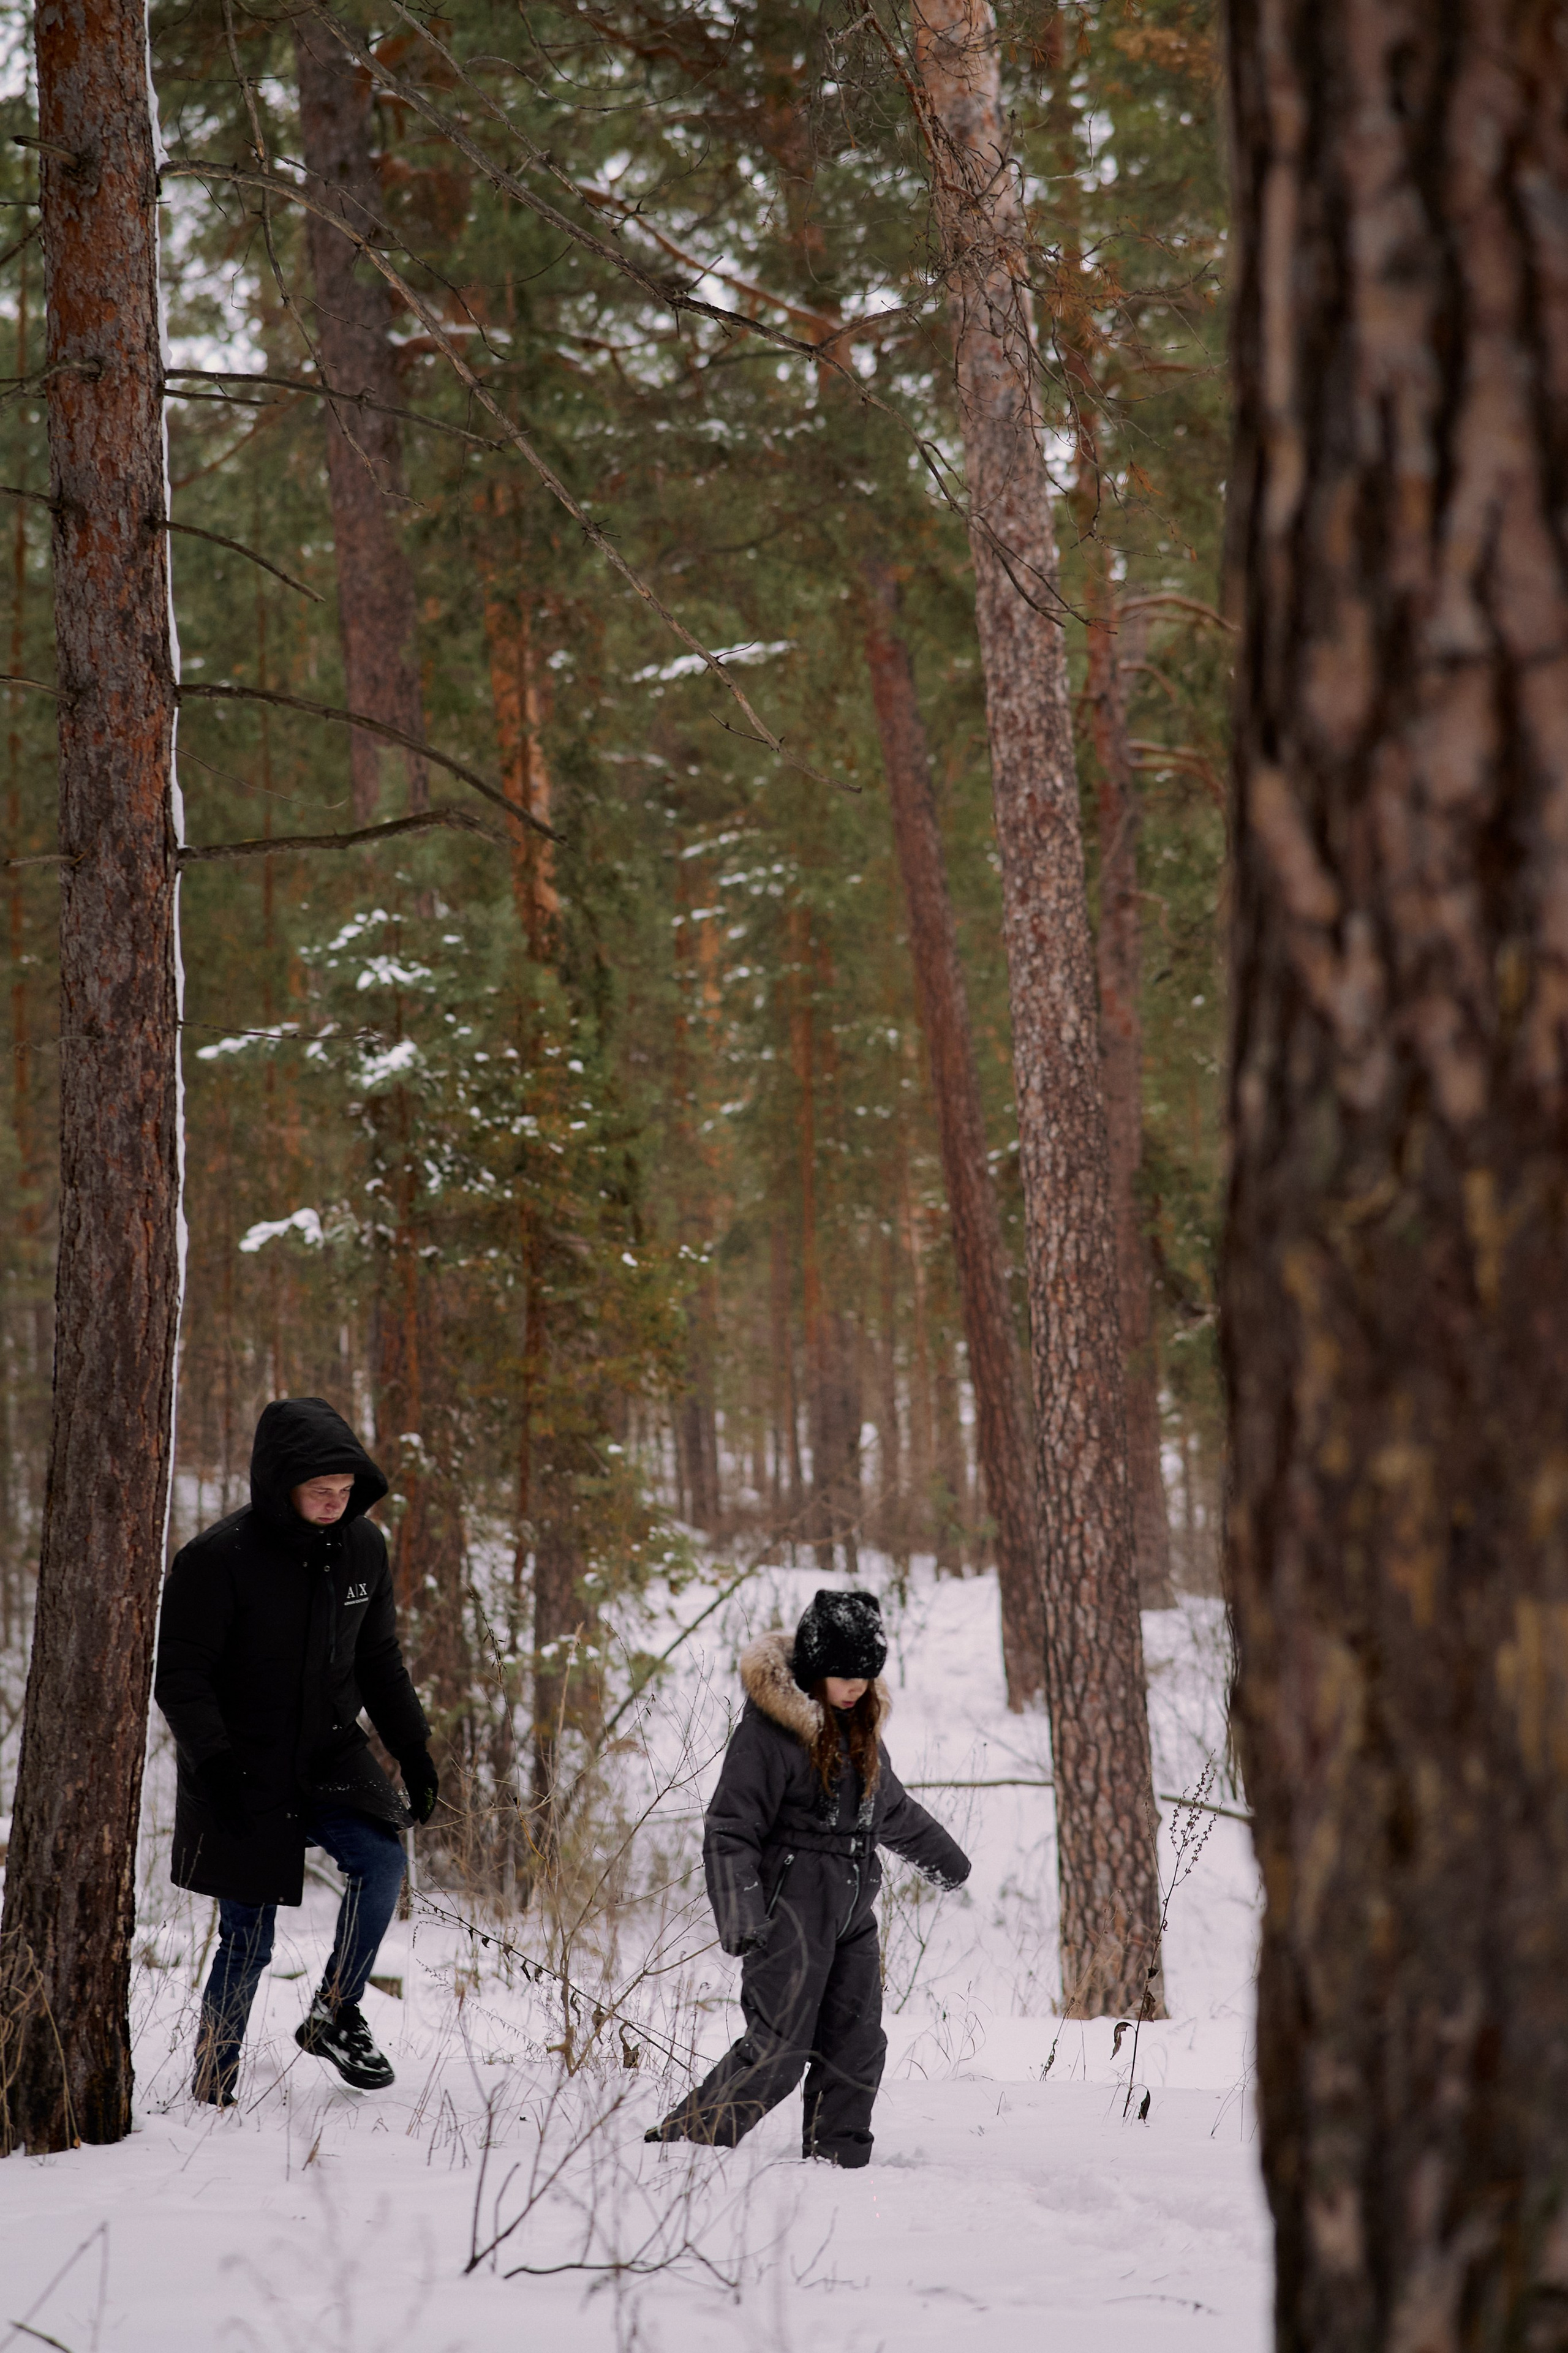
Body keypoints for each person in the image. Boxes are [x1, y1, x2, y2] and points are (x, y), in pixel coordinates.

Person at [155, 1396, 439, 2107]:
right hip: (241, 1766)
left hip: (329, 1754)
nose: (335, 1502)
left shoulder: (363, 1547)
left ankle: (336, 2012)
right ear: (280, 1484)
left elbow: (379, 1658)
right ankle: (213, 2083)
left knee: (381, 1860)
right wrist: (215, 1764)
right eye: (320, 1489)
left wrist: (414, 1748)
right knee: (248, 1935)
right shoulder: (217, 1559)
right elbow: (181, 1677)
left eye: (345, 1489)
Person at [647, 1588, 970, 2169]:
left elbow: (890, 1808)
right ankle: (687, 2144)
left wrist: (947, 1862)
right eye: (844, 1676)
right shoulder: (768, 1734)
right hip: (788, 1911)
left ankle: (836, 2159)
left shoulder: (861, 1728)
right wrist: (741, 1913)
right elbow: (730, 1828)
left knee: (857, 2043)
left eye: (865, 1676)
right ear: (817, 1668)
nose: (856, 1687)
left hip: (851, 1913)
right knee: (778, 2051)